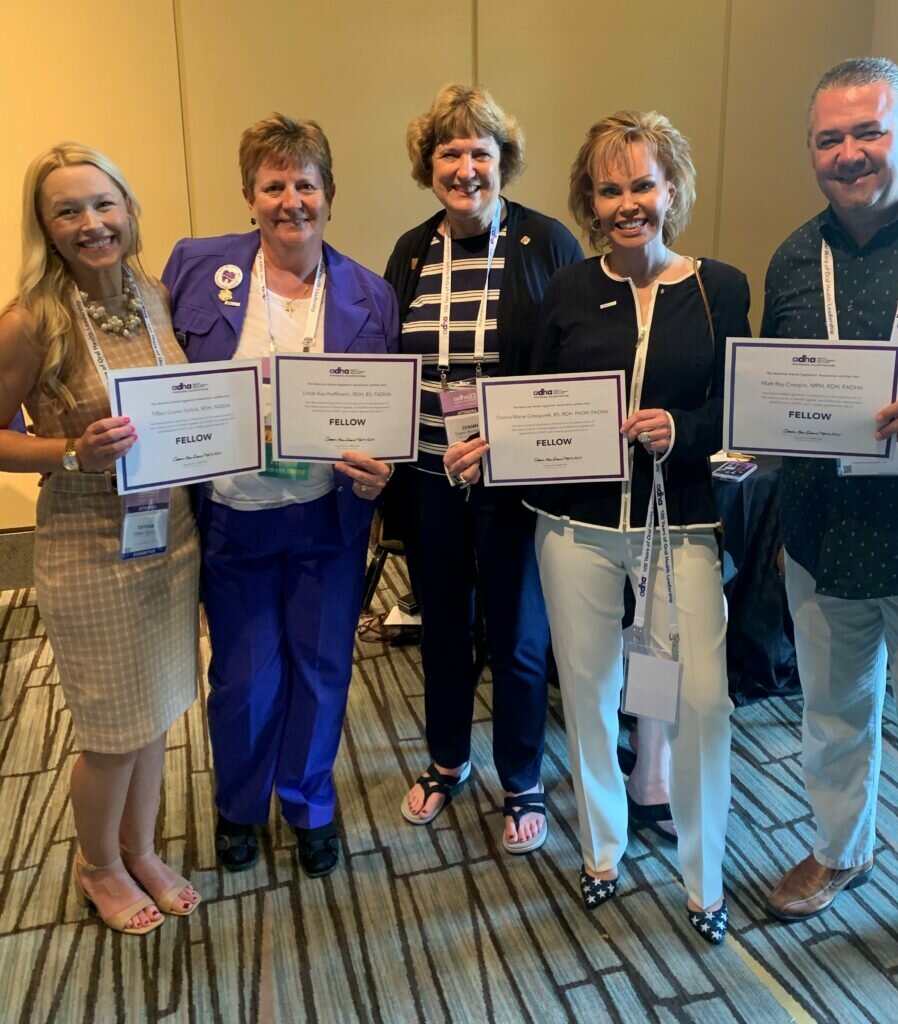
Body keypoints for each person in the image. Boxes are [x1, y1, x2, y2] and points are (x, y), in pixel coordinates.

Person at [761, 57, 898, 1011]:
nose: (849, 154)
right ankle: (837, 850)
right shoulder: (789, 257)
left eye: (868, 132)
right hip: (823, 539)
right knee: (834, 715)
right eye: (829, 138)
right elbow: (778, 390)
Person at [527, 111, 749, 935]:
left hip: (680, 525)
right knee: (589, 692)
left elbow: (736, 404)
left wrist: (681, 430)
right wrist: (495, 441)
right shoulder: (567, 288)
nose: (628, 203)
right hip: (576, 527)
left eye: (643, 184)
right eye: (610, 188)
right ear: (591, 200)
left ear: (673, 187)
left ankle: (704, 877)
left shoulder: (717, 286)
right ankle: (602, 851)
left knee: (702, 700)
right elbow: (534, 398)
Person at [162, 114, 399, 878]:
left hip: (328, 518)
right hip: (234, 516)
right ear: (249, 195)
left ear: (330, 194)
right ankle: (238, 805)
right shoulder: (200, 268)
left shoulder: (369, 293)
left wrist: (381, 468)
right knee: (242, 673)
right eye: (274, 185)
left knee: (322, 667)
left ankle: (308, 803)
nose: (290, 199)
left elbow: (383, 416)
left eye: (305, 183)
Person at [0, 144, 201, 934]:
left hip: (167, 537)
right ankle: (99, 865)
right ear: (45, 228)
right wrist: (71, 449)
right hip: (88, 544)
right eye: (68, 211)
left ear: (129, 209)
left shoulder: (151, 295)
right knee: (112, 731)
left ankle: (141, 849)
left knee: (155, 712)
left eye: (103, 204)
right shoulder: (30, 321)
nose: (92, 224)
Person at [384, 84, 582, 852]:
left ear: (503, 163)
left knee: (519, 638)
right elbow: (392, 367)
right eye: (450, 153)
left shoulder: (547, 243)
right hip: (433, 479)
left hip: (516, 484)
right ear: (427, 166)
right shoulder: (411, 249)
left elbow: (567, 370)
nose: (465, 168)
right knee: (442, 630)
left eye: (480, 153)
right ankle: (446, 760)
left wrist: (510, 439)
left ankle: (522, 775)